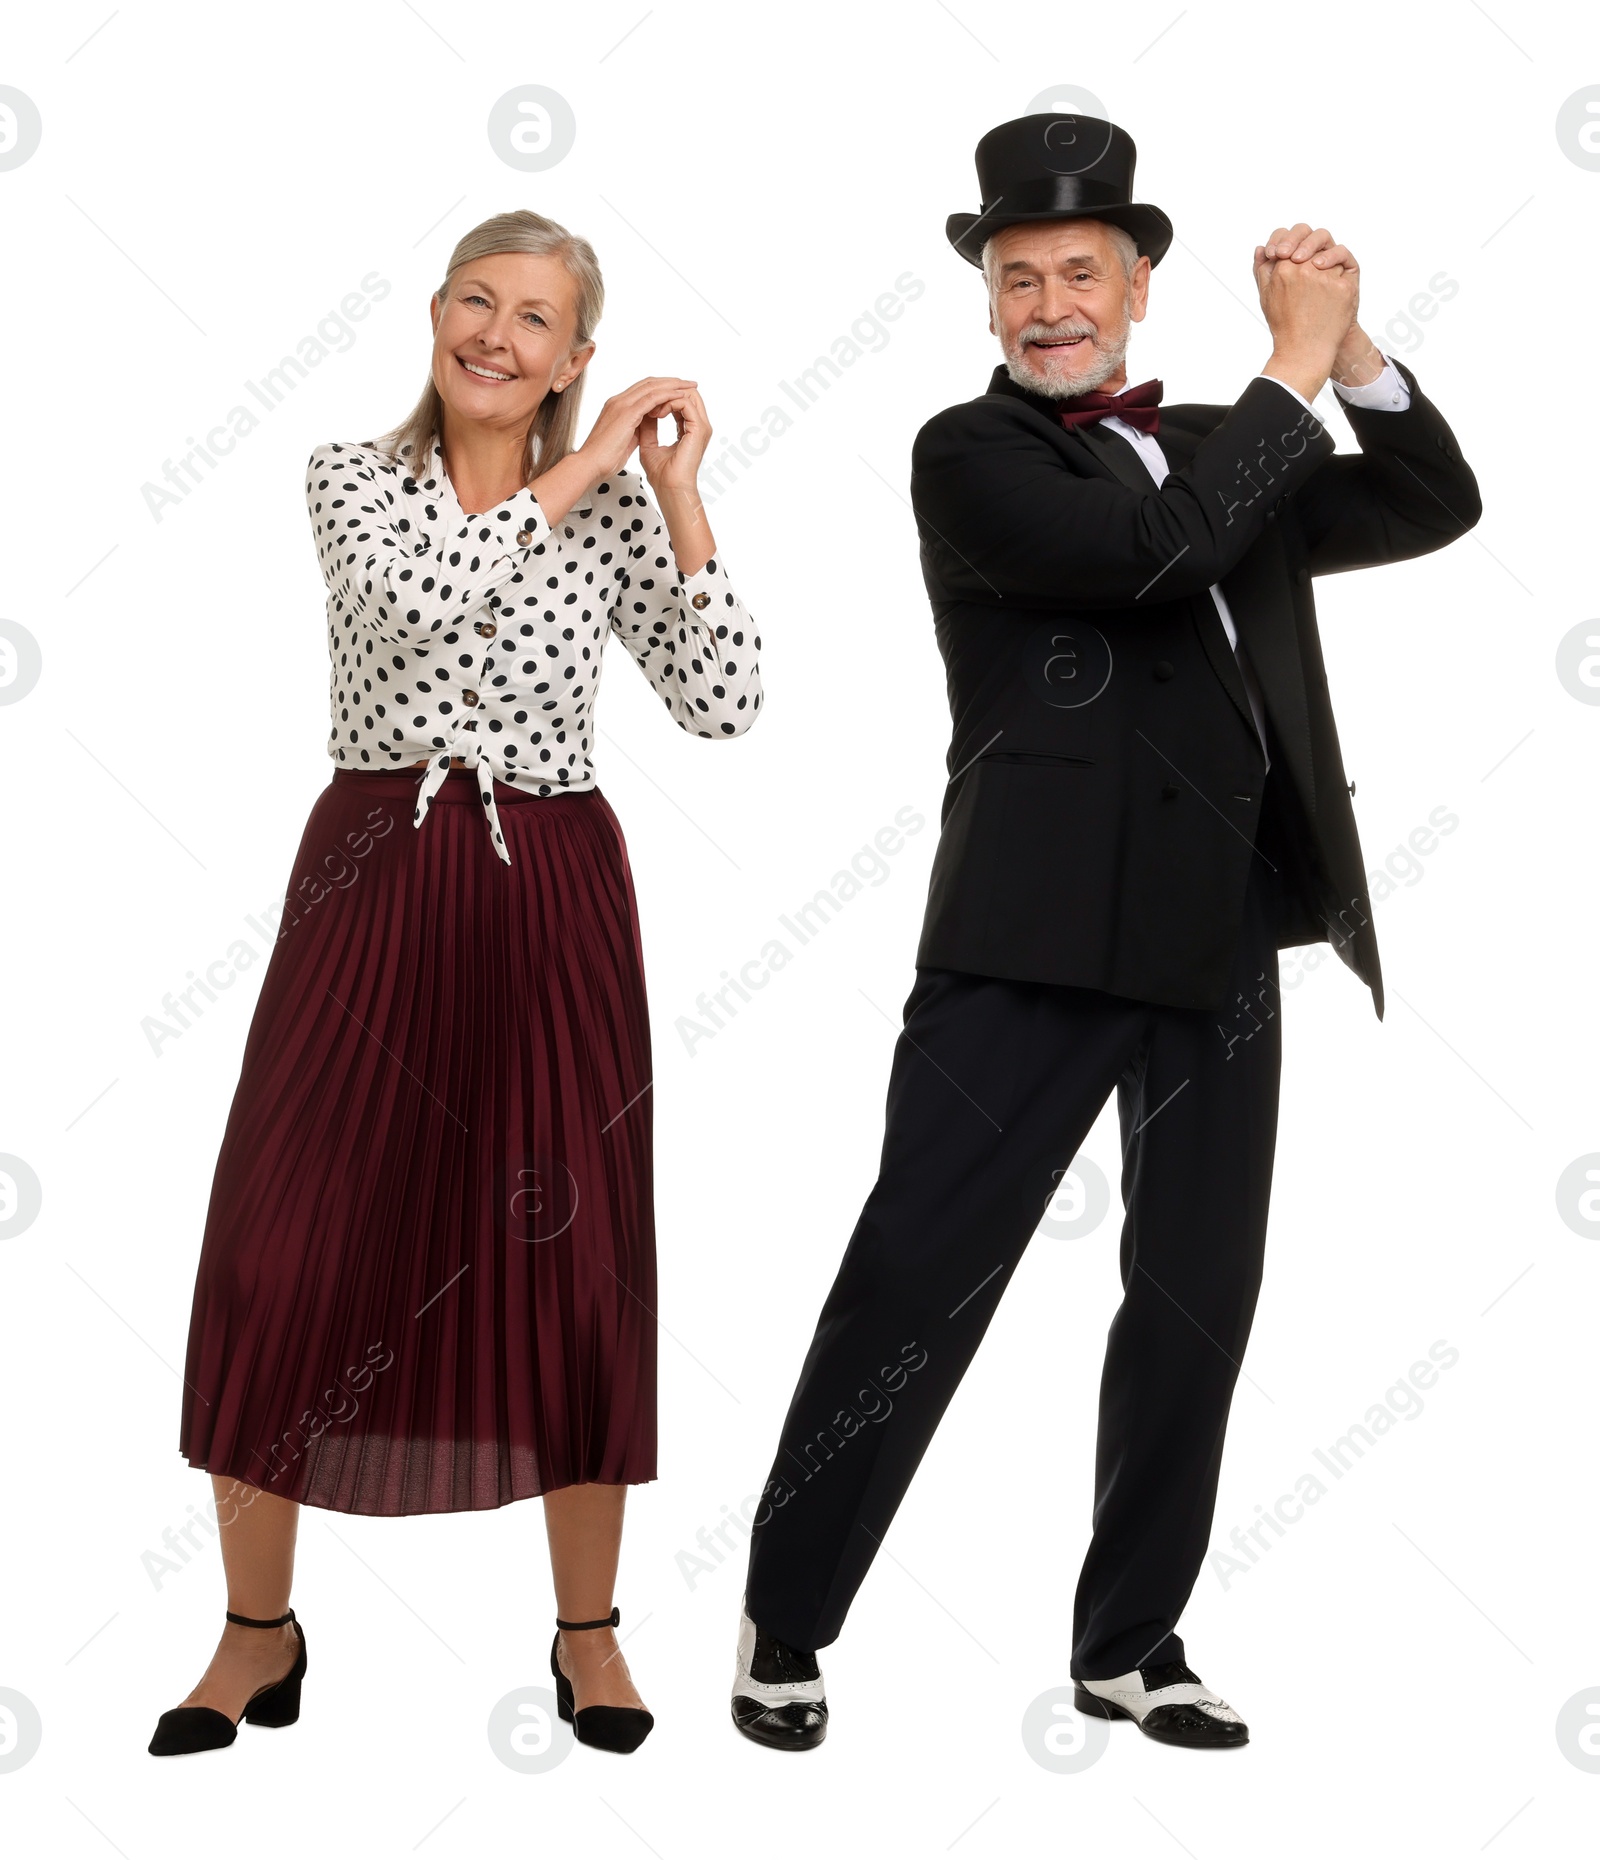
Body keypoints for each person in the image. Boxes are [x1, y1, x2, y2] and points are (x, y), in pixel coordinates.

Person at [729, 113, 1480, 1751]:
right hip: (1028, 944)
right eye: (1018, 277)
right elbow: (1157, 558)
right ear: (988, 301)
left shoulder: (1230, 435)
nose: (1049, 301)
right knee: (918, 1281)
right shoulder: (970, 453)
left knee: (1198, 1296)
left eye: (1080, 270)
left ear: (1141, 286)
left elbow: (1434, 500)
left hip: (1220, 941)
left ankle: (1131, 1641)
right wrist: (1286, 376)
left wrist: (1342, 346)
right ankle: (785, 1619)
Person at [149, 208, 761, 1758]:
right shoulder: (352, 478)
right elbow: (423, 596)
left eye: (535, 318)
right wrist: (583, 465)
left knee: (575, 1257)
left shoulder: (619, 510)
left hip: (549, 884)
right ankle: (254, 1634)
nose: (497, 334)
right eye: (476, 302)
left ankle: (592, 1638)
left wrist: (678, 499)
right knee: (281, 1249)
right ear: (433, 314)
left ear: (576, 354)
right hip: (373, 869)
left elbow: (727, 702)